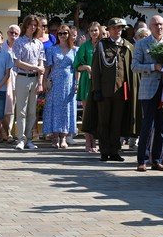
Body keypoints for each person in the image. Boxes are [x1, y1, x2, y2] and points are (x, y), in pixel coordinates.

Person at [79, 18, 135, 161]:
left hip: (121, 92)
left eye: (120, 28)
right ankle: (104, 151)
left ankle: (114, 151)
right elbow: (96, 69)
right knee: (103, 122)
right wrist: (96, 90)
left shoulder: (127, 46)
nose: (118, 30)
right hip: (104, 91)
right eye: (115, 28)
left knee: (117, 122)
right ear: (109, 30)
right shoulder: (102, 45)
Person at [131, 15, 163, 171]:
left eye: (161, 24)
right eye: (155, 24)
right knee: (147, 126)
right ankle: (142, 160)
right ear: (150, 27)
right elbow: (134, 66)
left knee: (161, 127)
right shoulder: (142, 44)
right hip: (149, 90)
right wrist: (153, 67)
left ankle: (156, 159)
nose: (159, 27)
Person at [41, 24, 78, 148]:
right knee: (54, 109)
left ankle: (64, 138)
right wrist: (44, 81)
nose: (62, 35)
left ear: (69, 34)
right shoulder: (52, 49)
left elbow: (76, 69)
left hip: (69, 83)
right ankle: (55, 137)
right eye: (60, 33)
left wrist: (76, 83)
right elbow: (47, 68)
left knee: (67, 109)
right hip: (55, 83)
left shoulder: (75, 50)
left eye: (65, 33)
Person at [12, 15, 45, 150]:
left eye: (35, 25)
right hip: (22, 77)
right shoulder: (19, 42)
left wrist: (40, 82)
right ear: (25, 26)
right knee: (21, 110)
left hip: (35, 79)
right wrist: (35, 68)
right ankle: (21, 139)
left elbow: (41, 63)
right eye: (30, 24)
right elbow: (18, 62)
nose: (33, 27)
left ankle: (29, 139)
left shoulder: (39, 43)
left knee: (32, 111)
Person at [74, 22, 103, 152]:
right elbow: (77, 65)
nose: (93, 33)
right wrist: (86, 67)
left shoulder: (103, 45)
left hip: (101, 82)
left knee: (98, 113)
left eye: (95, 30)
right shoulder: (84, 46)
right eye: (91, 31)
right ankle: (88, 141)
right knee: (87, 114)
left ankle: (95, 142)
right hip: (87, 81)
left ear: (99, 31)